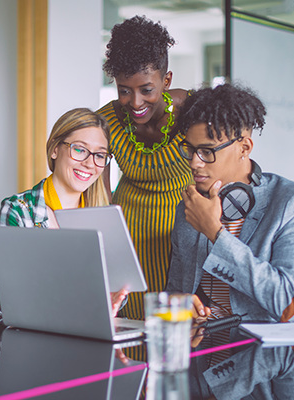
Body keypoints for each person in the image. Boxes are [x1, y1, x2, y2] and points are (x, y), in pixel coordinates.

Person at [166, 83, 294, 324]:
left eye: (207, 151)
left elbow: (292, 306)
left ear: (244, 147)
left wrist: (215, 233)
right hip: (208, 351)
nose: (194, 163)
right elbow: (175, 293)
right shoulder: (189, 208)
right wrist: (181, 304)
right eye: (189, 149)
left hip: (280, 354)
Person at [98, 15, 194, 320]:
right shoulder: (108, 120)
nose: (134, 101)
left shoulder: (194, 113)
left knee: (174, 336)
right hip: (127, 243)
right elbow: (101, 197)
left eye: (146, 90)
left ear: (166, 81)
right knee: (131, 335)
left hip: (180, 241)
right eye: (124, 90)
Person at [0, 108, 127, 316]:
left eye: (100, 155)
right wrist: (82, 299)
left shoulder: (105, 219)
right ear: (55, 149)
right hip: (26, 338)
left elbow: (114, 288)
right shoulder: (18, 210)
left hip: (86, 333)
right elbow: (5, 298)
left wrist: (110, 300)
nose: (90, 163)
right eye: (80, 149)